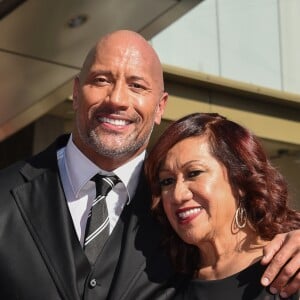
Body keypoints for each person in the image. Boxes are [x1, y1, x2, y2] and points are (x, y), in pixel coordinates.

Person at [0, 30, 299, 300]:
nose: (117, 99)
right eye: (101, 79)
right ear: (76, 92)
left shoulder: (180, 213)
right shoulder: (5, 194)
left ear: (160, 107)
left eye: (137, 85)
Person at [144, 112, 300, 299]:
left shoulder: (290, 271)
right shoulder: (160, 284)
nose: (178, 195)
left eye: (194, 173)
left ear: (240, 180)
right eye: (167, 181)